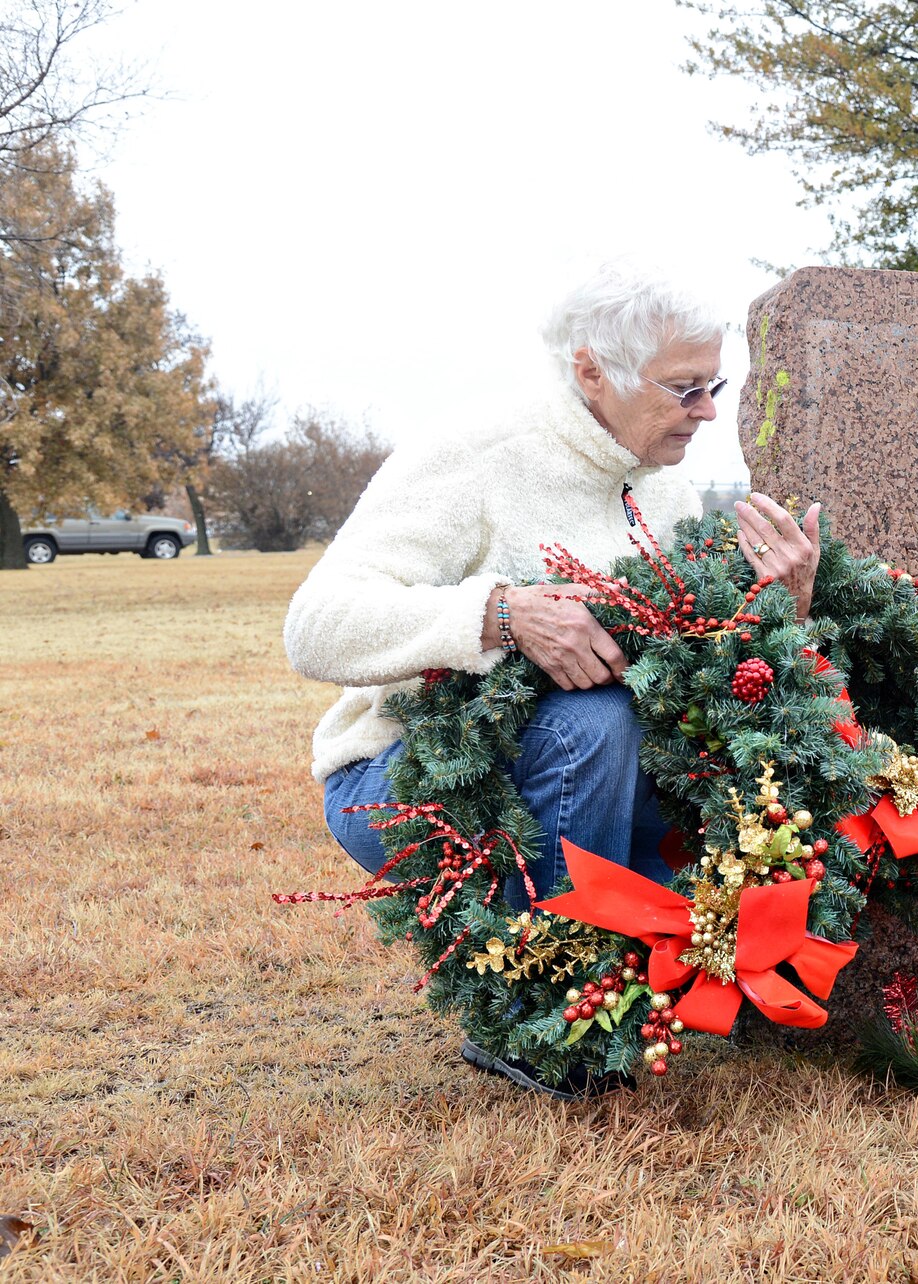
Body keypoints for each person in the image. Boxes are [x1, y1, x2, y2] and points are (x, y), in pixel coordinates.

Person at [284, 262, 820, 1095]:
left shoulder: (665, 487)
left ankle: (688, 979)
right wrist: (501, 615)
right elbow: (314, 627)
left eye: (714, 384)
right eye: (684, 389)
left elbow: (697, 671)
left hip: (594, 780)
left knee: (733, 777)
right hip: (401, 783)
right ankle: (546, 1014)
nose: (709, 411)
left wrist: (780, 605)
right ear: (591, 370)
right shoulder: (477, 454)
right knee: (594, 718)